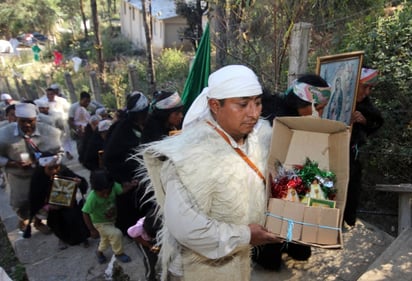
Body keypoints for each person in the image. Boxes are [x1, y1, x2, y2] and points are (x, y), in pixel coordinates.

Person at [140, 65, 281, 281]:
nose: (253, 113)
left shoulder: (261, 137)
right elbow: (188, 230)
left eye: (258, 102)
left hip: (241, 259)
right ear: (215, 105)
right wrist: (246, 235)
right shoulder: (187, 158)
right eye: (243, 104)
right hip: (200, 270)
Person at [0, 102, 62, 231]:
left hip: (43, 173)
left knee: (43, 199)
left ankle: (38, 222)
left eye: (30, 121)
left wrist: (51, 161)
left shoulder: (49, 132)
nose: (27, 125)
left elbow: (60, 153)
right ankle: (24, 219)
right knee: (22, 202)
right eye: (22, 121)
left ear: (36, 119)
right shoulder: (4, 135)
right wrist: (12, 163)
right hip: (19, 176)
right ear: (16, 119)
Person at [103, 91, 150, 235]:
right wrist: (125, 180)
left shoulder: (146, 125)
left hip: (145, 173)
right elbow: (110, 158)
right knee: (131, 208)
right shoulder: (122, 130)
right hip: (127, 177)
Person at [343, 67, 383, 227]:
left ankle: (347, 221)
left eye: (370, 88)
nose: (367, 92)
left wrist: (364, 121)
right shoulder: (338, 98)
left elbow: (377, 122)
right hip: (329, 153)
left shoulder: (367, 107)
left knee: (352, 189)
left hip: (353, 156)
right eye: (364, 86)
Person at [28, 153, 90, 249]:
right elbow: (35, 200)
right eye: (50, 169)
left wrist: (78, 183)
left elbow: (80, 181)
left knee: (75, 216)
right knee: (57, 222)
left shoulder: (63, 170)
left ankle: (82, 238)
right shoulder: (38, 178)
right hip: (51, 207)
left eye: (56, 167)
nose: (54, 171)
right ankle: (62, 238)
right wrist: (48, 206)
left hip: (68, 202)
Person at [82, 169, 135, 264]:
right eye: (102, 193)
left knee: (105, 240)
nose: (106, 195)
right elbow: (85, 213)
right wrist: (92, 230)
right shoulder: (92, 198)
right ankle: (119, 253)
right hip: (100, 223)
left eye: (108, 192)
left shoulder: (114, 186)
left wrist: (131, 186)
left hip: (111, 220)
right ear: (95, 189)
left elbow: (121, 191)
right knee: (116, 234)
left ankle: (99, 252)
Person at [68, 91, 92, 156]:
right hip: (79, 130)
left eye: (88, 101)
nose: (87, 103)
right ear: (81, 100)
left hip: (87, 128)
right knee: (81, 146)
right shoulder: (74, 107)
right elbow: (70, 120)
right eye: (85, 101)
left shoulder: (89, 107)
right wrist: (77, 130)